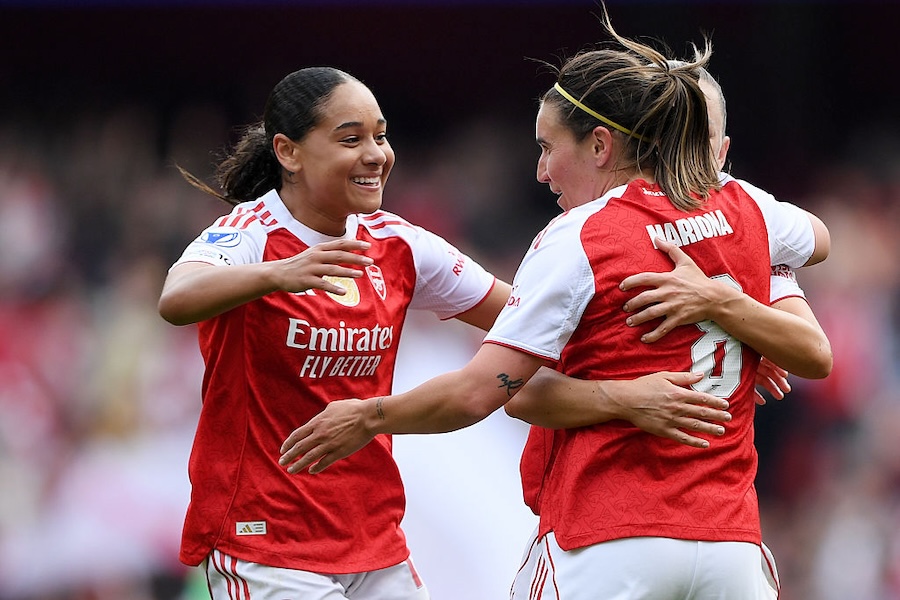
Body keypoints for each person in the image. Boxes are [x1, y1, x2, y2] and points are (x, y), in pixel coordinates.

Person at [278, 16, 828, 599]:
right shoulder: (748, 208)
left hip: (609, 539)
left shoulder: (581, 236)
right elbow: (817, 239)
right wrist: (734, 308)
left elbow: (479, 393)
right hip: (731, 550)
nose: (540, 172)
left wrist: (370, 416)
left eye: (547, 148)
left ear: (599, 144)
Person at [159, 65, 742, 600]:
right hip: (265, 543)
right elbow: (177, 299)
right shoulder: (251, 233)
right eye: (350, 139)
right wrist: (276, 275)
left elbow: (530, 321)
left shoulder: (399, 242)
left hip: (371, 539)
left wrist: (710, 338)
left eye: (380, 137)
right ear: (288, 151)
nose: (375, 155)